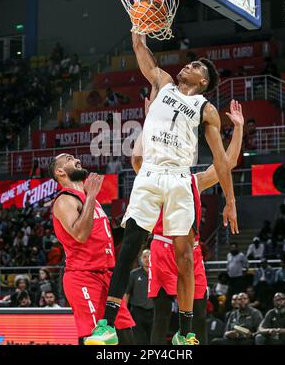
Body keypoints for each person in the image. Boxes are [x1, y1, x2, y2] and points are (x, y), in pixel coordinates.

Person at [87, 32, 238, 345]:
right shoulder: (163, 82)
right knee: (129, 247)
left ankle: (184, 333)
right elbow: (143, 55)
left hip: (180, 177)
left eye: (196, 65)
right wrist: (137, 33)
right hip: (151, 174)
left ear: (204, 80)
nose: (188, 66)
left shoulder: (204, 107)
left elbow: (222, 161)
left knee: (184, 256)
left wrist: (230, 201)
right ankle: (107, 326)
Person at [132, 99, 244, 345]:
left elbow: (228, 163)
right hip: (163, 249)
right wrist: (150, 120)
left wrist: (238, 128)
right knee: (160, 315)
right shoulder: (155, 178)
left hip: (191, 252)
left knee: (200, 314)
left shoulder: (195, 181)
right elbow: (137, 161)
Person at [48, 154, 135, 345]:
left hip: (106, 277)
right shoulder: (64, 200)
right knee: (97, 341)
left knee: (126, 335)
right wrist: (92, 195)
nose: (76, 159)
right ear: (59, 171)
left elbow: (106, 238)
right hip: (83, 277)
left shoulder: (89, 200)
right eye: (69, 158)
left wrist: (130, 224)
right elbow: (80, 234)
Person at [125, 249, 154, 345]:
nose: (147, 259)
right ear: (140, 259)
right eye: (144, 256)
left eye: (149, 256)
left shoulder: (157, 273)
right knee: (138, 340)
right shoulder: (134, 274)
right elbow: (127, 293)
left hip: (153, 311)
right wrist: (125, 311)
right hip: (137, 312)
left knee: (153, 339)